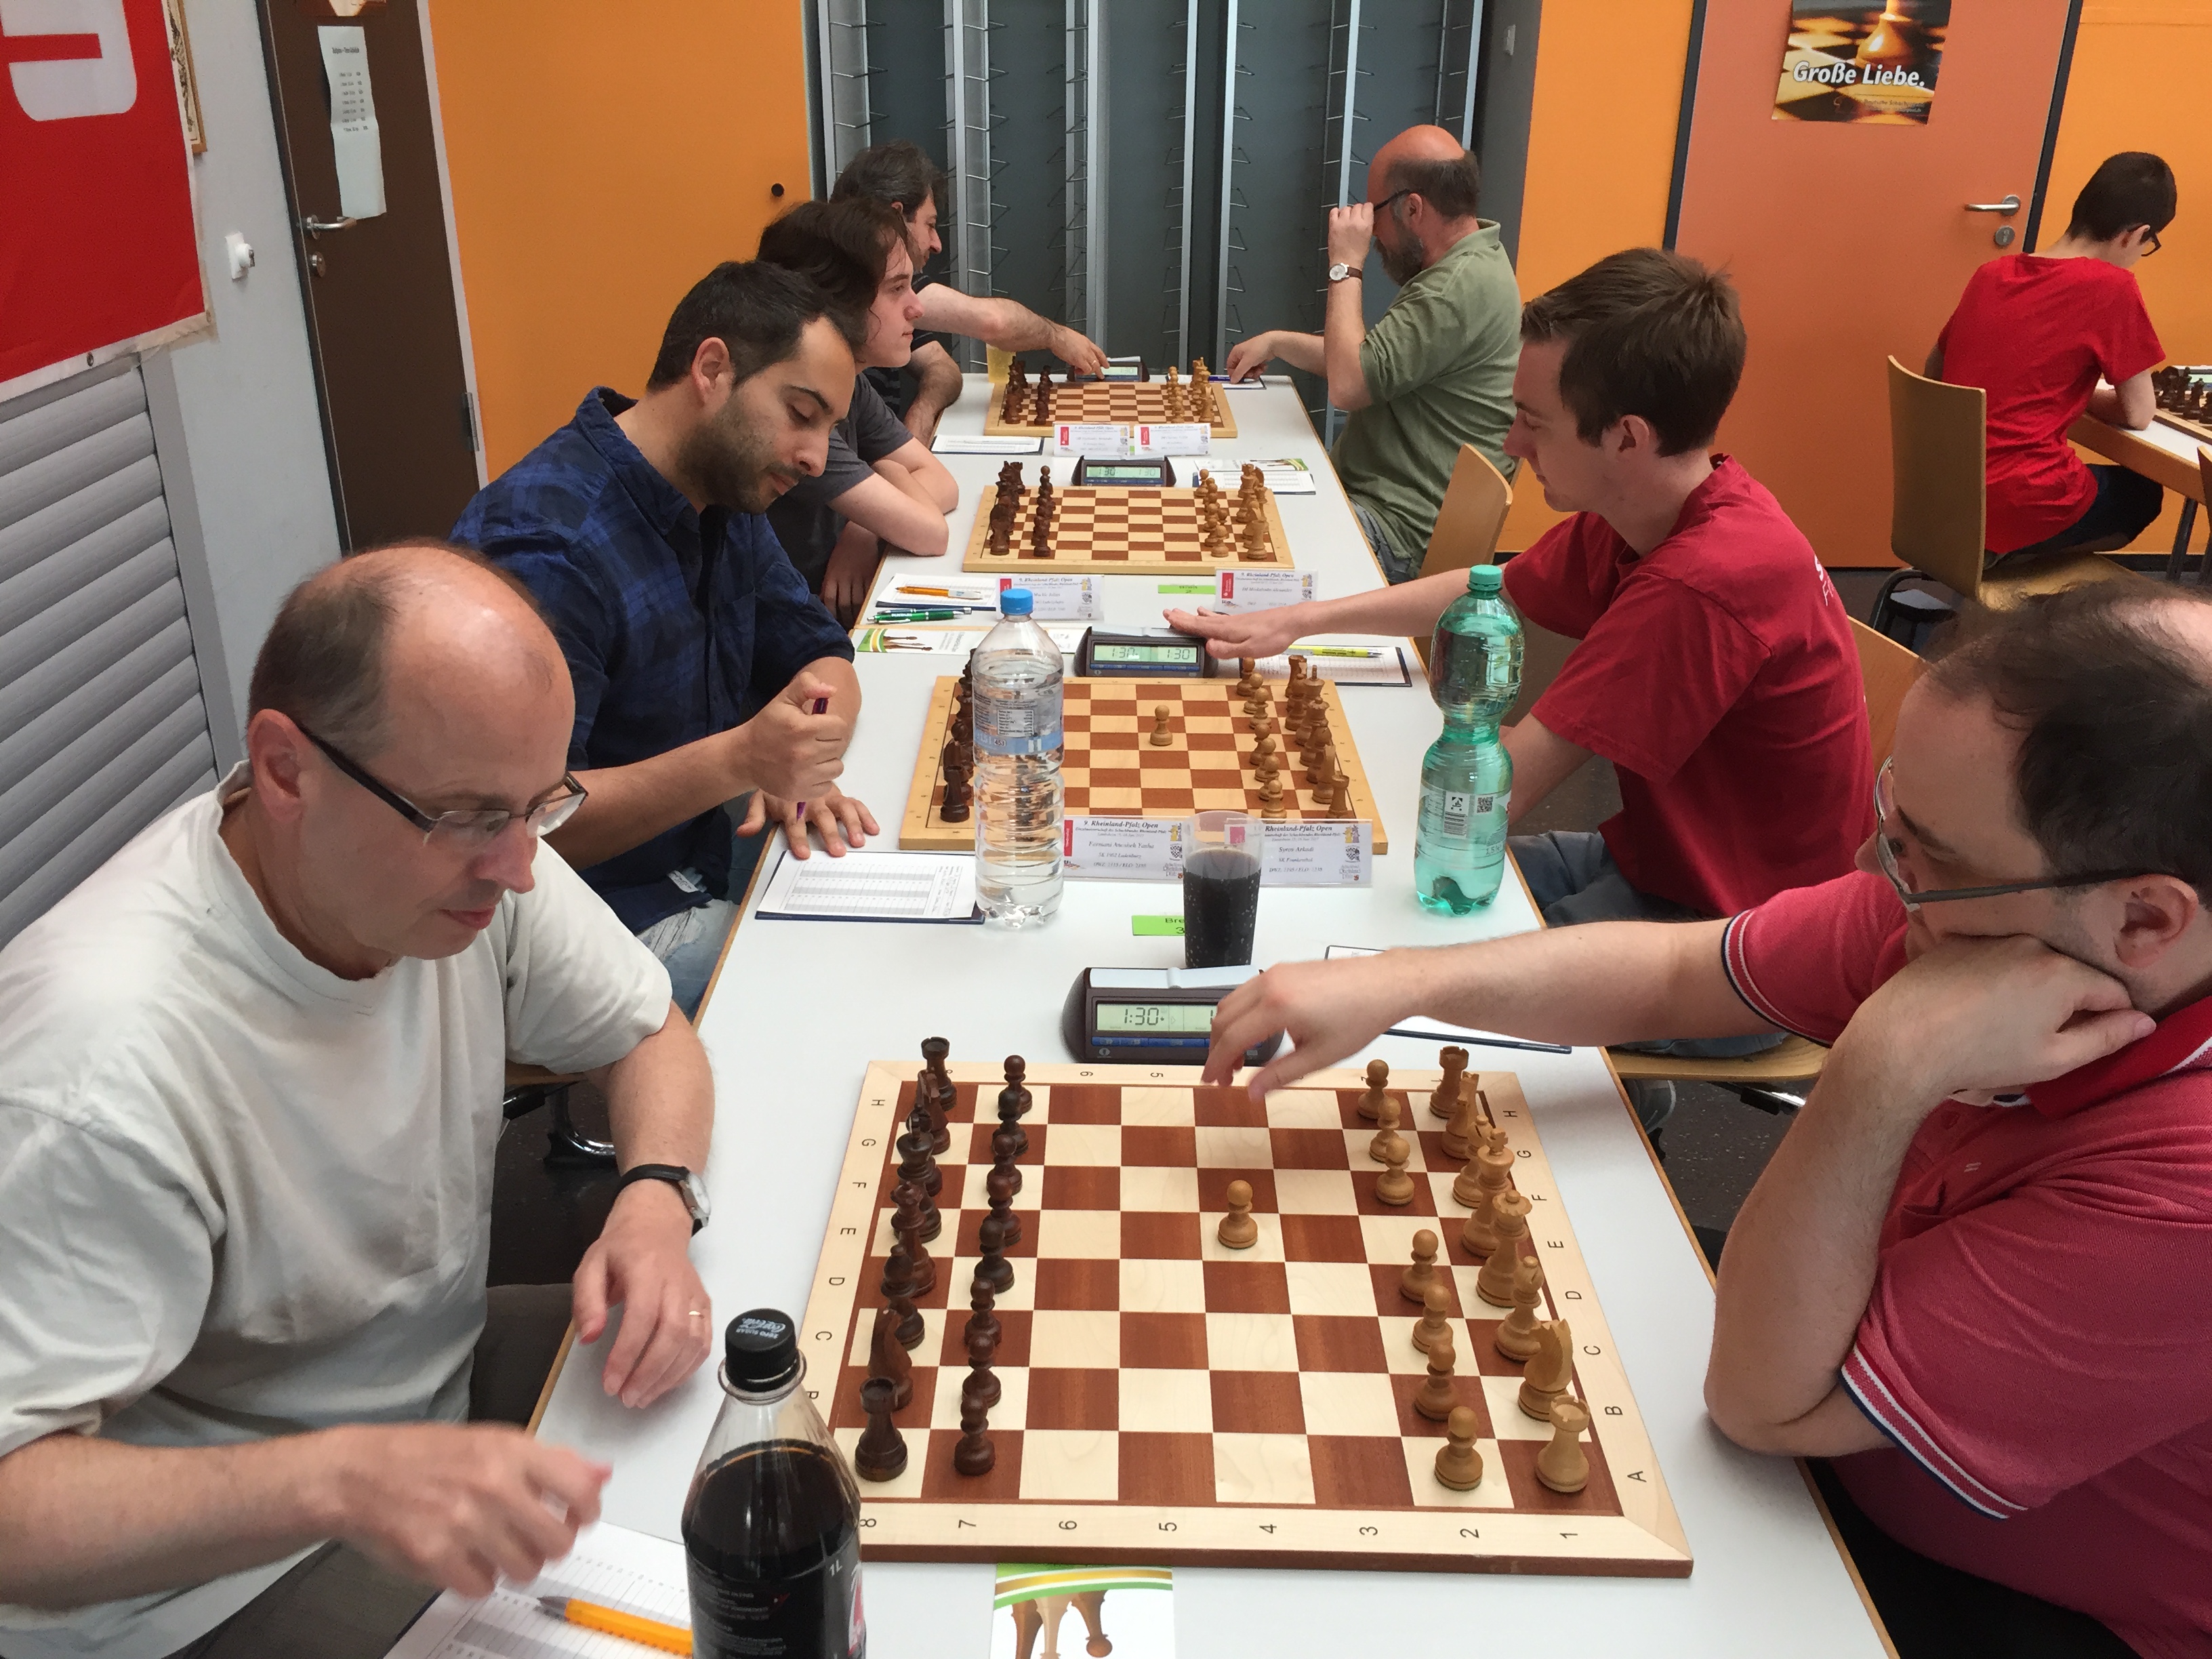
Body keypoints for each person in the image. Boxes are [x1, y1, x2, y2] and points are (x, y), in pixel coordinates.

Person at [1202, 581, 2212, 1659]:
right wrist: (1402, 983)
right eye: (1891, 822)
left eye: (1928, 853)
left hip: (1996, 1594)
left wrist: (1880, 1063)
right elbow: (1679, 973)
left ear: (2144, 918)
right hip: (1816, 1385)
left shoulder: (2184, 1178)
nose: (1874, 872)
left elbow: (1765, 1404)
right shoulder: (1995, 921)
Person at [0, 546, 718, 1659]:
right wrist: (339, 1477)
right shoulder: (97, 1066)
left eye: (539, 806)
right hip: (202, 1583)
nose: (521, 867)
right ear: (285, 770)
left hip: (424, 1392)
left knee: (756, 1415)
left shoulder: (461, 864)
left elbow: (649, 1035)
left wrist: (655, 1199)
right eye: (472, 814)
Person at [1175, 248, 1870, 935]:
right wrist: (1299, 622)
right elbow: (1490, 588)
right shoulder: (1655, 511)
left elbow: (1490, 801)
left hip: (1738, 933)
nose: (1512, 442)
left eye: (1533, 421)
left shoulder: (1700, 585)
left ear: (1627, 439)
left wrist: (1288, 804)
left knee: (1373, 933)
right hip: (1654, 861)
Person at [453, 261, 876, 1019]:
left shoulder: (722, 489)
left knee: (890, 883)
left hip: (691, 850)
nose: (816, 458)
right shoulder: (549, 548)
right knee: (837, 984)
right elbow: (522, 826)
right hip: (569, 920)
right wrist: (743, 760)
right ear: (712, 370)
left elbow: (818, 648)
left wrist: (804, 752)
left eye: (828, 430)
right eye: (801, 413)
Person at [1221, 125, 1520, 583]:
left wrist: (1345, 264)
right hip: (1377, 506)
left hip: (1394, 534)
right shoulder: (1471, 264)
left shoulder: (1452, 289)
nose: (1372, 230)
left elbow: (1349, 385)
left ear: (1413, 208)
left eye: (1374, 212)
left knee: (1227, 544)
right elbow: (1370, 362)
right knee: (1232, 492)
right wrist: (1280, 342)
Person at [1929, 150, 2174, 560]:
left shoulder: (1992, 274)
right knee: (2142, 495)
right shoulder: (2113, 287)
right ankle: (2013, 570)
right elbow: (2139, 413)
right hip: (2023, 501)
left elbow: (1934, 370)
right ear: (2136, 234)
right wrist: (2080, 395)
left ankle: (1993, 561)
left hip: (1944, 494)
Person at [758, 196, 960, 624]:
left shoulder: (853, 383)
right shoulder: (799, 412)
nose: (917, 308)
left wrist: (864, 527)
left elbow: (943, 482)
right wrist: (889, 476)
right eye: (896, 289)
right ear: (838, 303)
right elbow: (930, 531)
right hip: (798, 624)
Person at [831, 139, 1109, 443]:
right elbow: (994, 322)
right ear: (896, 217)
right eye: (930, 225)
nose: (936, 244)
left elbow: (942, 368)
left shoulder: (894, 297)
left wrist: (921, 413)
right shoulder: (859, 282)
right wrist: (1056, 336)